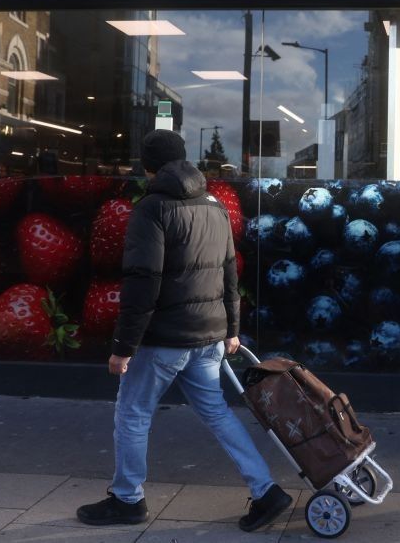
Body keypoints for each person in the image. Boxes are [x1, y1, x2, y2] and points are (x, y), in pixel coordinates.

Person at [76, 130, 292, 531]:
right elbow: (230, 272)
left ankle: (127, 500)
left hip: (164, 339)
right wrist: (232, 329)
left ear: (147, 167)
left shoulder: (151, 208)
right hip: (209, 337)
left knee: (133, 413)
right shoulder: (214, 204)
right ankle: (266, 491)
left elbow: (143, 281)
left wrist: (123, 346)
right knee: (218, 413)